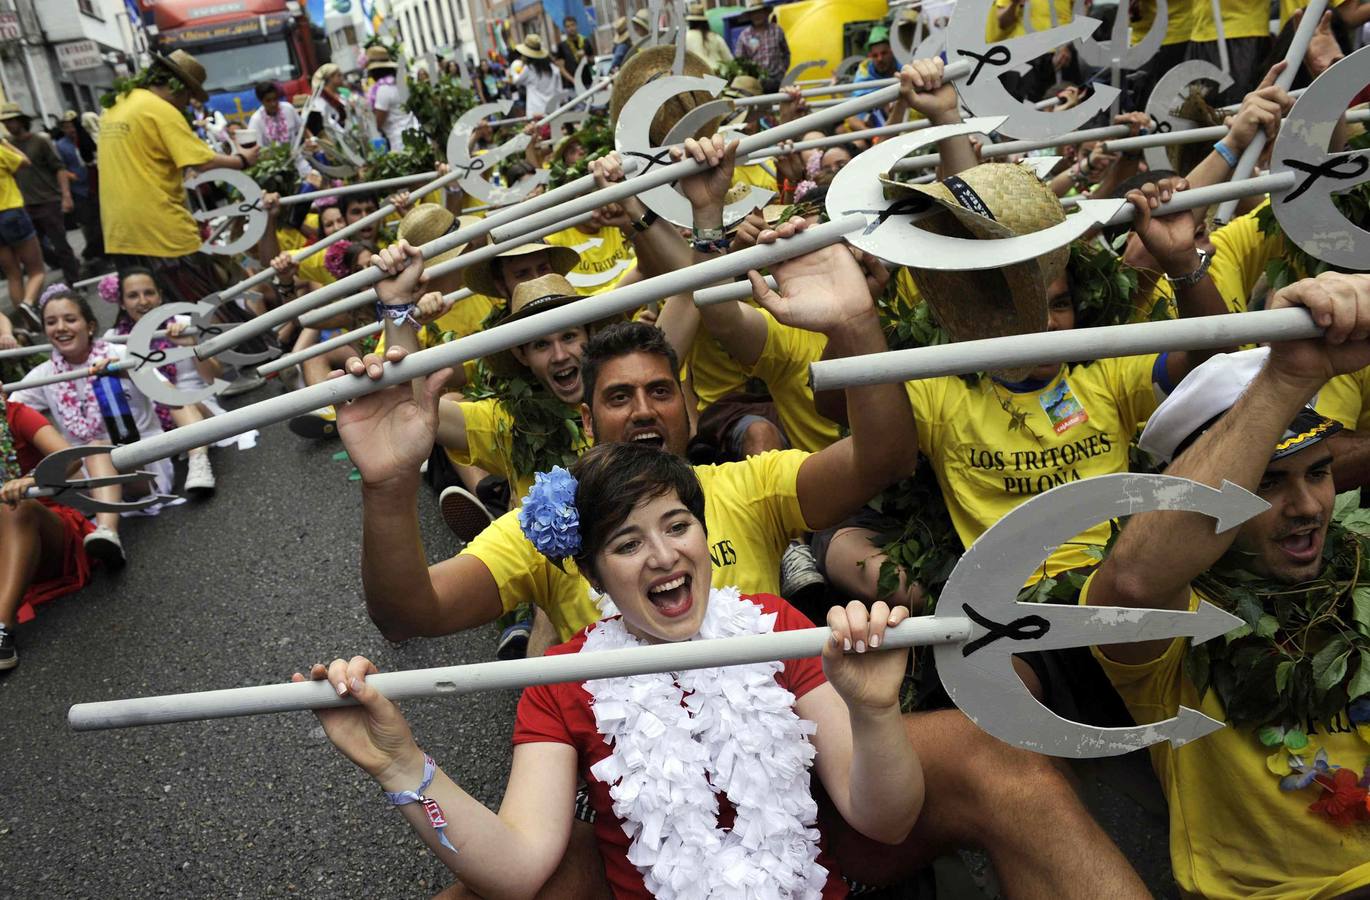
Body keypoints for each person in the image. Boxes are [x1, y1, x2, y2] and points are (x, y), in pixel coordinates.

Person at [298, 440, 924, 897]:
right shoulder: (558, 681)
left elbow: (887, 821)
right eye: (627, 544)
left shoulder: (773, 625)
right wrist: (401, 767)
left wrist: (874, 712)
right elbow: (516, 868)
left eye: (679, 526)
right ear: (593, 574)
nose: (663, 556)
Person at [1083, 272, 1370, 896]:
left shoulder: (1357, 565)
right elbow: (1132, 582)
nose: (1306, 505)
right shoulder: (1171, 618)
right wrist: (1287, 378)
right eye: (1267, 484)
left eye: (1319, 473)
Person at [10, 287, 180, 566]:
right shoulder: (44, 374)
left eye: (70, 319)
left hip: (139, 465)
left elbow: (173, 399)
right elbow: (10, 412)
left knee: (97, 448)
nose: (61, 328)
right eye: (51, 323)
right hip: (86, 473)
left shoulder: (120, 352)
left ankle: (107, 532)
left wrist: (129, 371)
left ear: (90, 326)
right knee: (60, 462)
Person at [97, 51, 261, 302]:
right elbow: (202, 161)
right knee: (207, 309)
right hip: (162, 229)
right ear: (177, 87)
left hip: (120, 232)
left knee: (151, 313)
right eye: (189, 96)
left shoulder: (118, 104)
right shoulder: (160, 109)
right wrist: (242, 160)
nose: (187, 104)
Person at [0, 393, 109, 671]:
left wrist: (28, 480)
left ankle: (2, 628)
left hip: (45, 529)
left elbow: (70, 460)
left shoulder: (17, 414)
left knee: (17, 506)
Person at [0, 103, 79, 285]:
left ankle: (73, 283)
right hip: (22, 204)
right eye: (6, 122)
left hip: (47, 199)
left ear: (22, 120)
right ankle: (60, 269)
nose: (10, 125)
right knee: (35, 248)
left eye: (12, 120)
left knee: (60, 244)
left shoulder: (40, 140)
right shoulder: (8, 146)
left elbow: (59, 168)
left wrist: (66, 196)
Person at [0, 135, 46, 326]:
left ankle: (27, 325)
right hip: (11, 212)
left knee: (13, 274)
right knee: (36, 270)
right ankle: (28, 303)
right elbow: (26, 161)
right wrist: (4, 142)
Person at [56, 111, 104, 270]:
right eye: (67, 127)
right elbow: (59, 167)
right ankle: (92, 253)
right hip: (79, 190)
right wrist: (70, 176)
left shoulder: (87, 138)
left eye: (73, 125)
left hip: (95, 185)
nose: (71, 129)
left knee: (100, 220)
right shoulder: (61, 146)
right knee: (87, 222)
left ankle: (102, 252)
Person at [364, 47, 420, 152]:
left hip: (400, 141)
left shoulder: (383, 90)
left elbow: (378, 123)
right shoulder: (400, 85)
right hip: (415, 135)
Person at [733, 0, 790, 92]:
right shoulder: (744, 36)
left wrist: (782, 70)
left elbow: (786, 53)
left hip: (778, 80)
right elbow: (740, 61)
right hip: (756, 84)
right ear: (750, 16)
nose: (757, 16)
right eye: (754, 13)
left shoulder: (777, 30)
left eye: (759, 12)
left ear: (765, 13)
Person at [510, 35, 562, 118]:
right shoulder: (554, 69)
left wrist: (521, 66)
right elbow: (559, 91)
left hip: (536, 111)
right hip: (553, 110)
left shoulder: (529, 69)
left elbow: (516, 81)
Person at [246, 82, 302, 149]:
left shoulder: (288, 108)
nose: (273, 104)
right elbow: (255, 148)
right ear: (261, 101)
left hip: (296, 156)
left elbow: (302, 128)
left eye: (275, 99)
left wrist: (311, 139)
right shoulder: (256, 120)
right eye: (268, 101)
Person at [685, 3, 733, 70]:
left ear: (690, 22)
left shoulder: (685, 37)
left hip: (697, 75)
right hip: (719, 74)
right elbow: (729, 59)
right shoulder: (715, 36)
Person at [554, 15, 594, 89]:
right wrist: (573, 80)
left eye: (572, 25)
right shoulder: (562, 46)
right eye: (568, 26)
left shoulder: (585, 41)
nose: (571, 28)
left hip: (587, 82)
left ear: (577, 26)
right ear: (565, 29)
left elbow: (592, 61)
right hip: (571, 86)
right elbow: (561, 68)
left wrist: (585, 57)